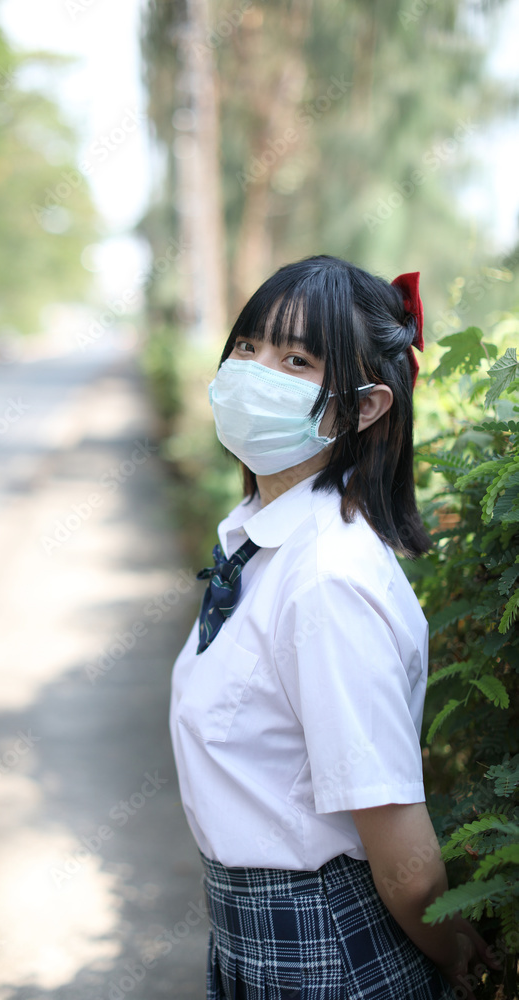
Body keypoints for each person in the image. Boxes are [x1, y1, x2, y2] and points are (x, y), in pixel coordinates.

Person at [168, 255, 501, 1000]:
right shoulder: (260, 540)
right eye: (248, 346)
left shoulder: (326, 582)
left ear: (362, 407)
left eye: (295, 359)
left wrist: (457, 954)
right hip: (257, 938)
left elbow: (401, 852)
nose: (253, 370)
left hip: (324, 954)